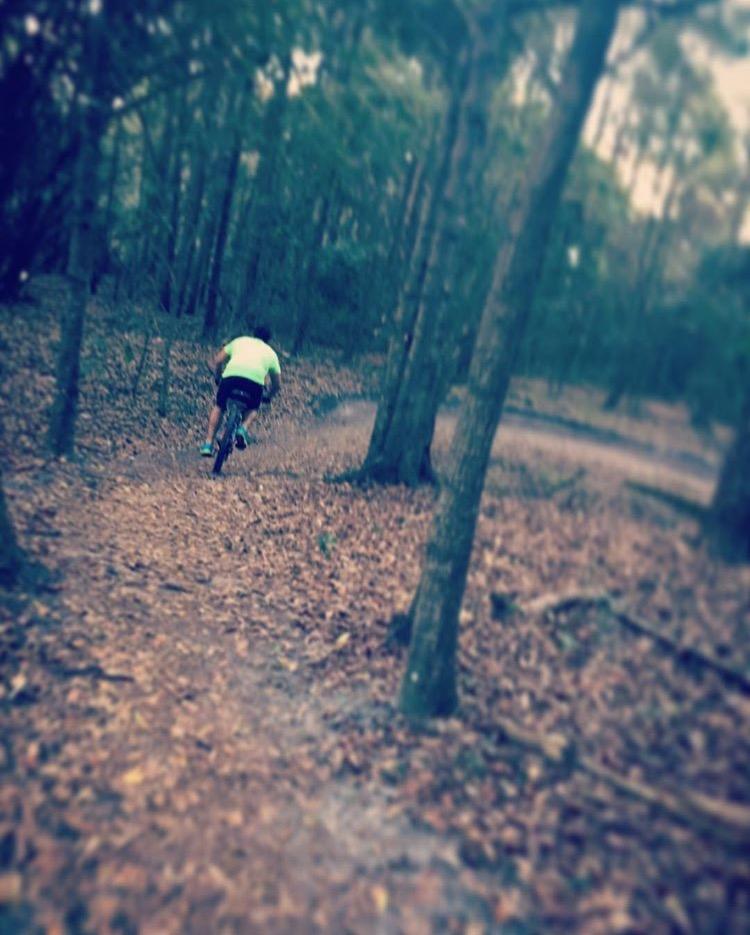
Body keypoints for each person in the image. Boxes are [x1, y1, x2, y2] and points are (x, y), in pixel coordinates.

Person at [200, 325, 281, 456]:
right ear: (268, 340)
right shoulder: (271, 353)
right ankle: (243, 429)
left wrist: (218, 376)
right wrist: (268, 396)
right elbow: (277, 384)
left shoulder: (239, 341)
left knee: (219, 406)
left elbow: (217, 360)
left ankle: (208, 444)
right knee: (253, 407)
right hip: (254, 383)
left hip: (231, 378)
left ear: (253, 333)